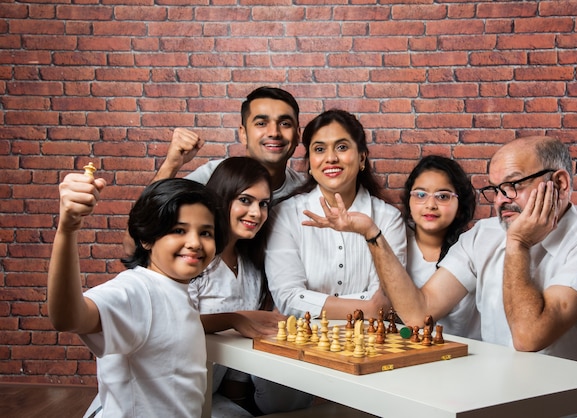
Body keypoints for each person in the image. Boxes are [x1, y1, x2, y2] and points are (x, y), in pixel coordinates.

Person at [303, 136, 577, 372]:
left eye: (514, 185)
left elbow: (529, 338)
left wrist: (518, 244)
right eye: (496, 189)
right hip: (504, 396)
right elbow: (420, 314)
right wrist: (371, 233)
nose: (502, 200)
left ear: (559, 182)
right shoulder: (485, 234)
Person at [48, 173, 227, 417]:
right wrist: (67, 229)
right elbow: (69, 318)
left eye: (206, 233)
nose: (195, 242)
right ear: (146, 238)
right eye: (178, 230)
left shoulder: (176, 289)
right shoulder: (137, 289)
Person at [188, 157, 313, 416]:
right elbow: (168, 321)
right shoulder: (191, 255)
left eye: (263, 204)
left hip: (213, 394)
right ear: (222, 197)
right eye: (245, 200)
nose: (257, 213)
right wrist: (234, 319)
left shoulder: (253, 266)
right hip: (171, 392)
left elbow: (240, 355)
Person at [122, 86, 303, 256]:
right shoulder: (212, 178)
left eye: (285, 123)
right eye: (261, 123)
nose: (274, 132)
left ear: (297, 135)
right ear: (243, 134)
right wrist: (171, 165)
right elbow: (133, 246)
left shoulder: (307, 190)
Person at [265, 109, 407, 320]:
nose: (330, 158)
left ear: (361, 158)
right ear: (311, 163)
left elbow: (388, 299)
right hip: (304, 341)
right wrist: (367, 309)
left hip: (371, 342)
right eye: (319, 149)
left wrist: (312, 302)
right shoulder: (284, 214)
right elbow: (288, 297)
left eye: (341, 147)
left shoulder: (389, 219)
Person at [399, 155, 480, 339]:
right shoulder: (395, 243)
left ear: (460, 205)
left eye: (443, 196)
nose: (430, 205)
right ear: (408, 200)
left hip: (463, 357)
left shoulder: (471, 248)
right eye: (420, 195)